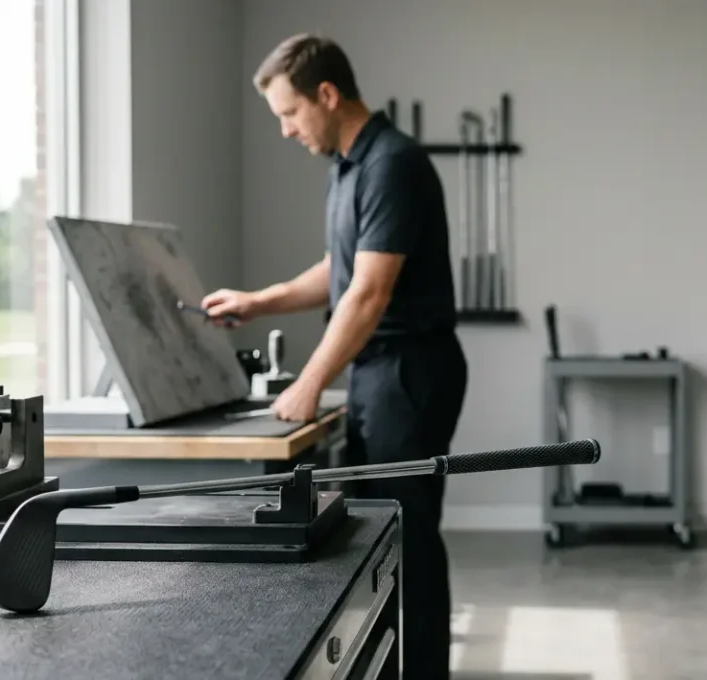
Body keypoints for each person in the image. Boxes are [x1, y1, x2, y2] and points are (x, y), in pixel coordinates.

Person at [201, 33, 467, 679]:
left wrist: (311, 380)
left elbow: (370, 292)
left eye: (290, 114)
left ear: (327, 94)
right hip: (382, 373)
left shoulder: (391, 163)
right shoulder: (348, 168)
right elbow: (341, 270)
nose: (286, 130)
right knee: (387, 532)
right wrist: (260, 302)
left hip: (410, 372)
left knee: (405, 534)